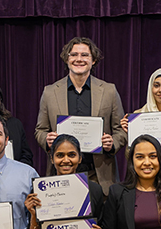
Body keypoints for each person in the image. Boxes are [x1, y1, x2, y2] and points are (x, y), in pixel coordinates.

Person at [35, 37, 127, 190]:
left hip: (99, 176)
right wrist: (47, 139)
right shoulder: (50, 92)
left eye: (85, 55)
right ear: (66, 59)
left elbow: (121, 130)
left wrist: (112, 143)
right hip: (62, 174)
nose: (79, 59)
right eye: (74, 54)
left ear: (94, 60)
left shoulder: (109, 90)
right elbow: (40, 130)